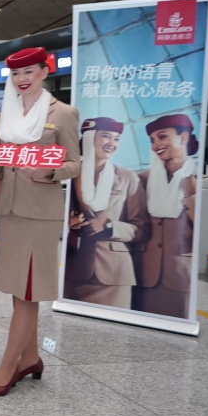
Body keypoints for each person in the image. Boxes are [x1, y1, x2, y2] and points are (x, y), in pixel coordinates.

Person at [0, 47, 80, 397]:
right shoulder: (7, 113)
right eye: (16, 74)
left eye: (29, 72)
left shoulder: (63, 113)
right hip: (10, 210)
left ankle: (8, 367)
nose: (22, 79)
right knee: (19, 289)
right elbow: (4, 160)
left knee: (29, 290)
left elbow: (75, 163)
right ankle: (30, 358)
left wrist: (51, 171)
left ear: (45, 71)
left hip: (40, 212)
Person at [65, 117, 149, 309]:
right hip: (74, 267)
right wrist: (67, 223)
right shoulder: (71, 175)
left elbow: (142, 229)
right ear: (89, 138)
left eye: (116, 138)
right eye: (105, 136)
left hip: (114, 273)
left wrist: (110, 226)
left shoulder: (127, 178)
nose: (112, 143)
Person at [135, 114, 198, 319]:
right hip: (144, 271)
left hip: (179, 274)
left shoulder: (197, 179)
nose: (156, 145)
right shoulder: (143, 180)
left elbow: (204, 229)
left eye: (162, 137)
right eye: (152, 140)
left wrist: (190, 192)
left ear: (184, 137)